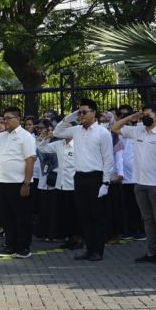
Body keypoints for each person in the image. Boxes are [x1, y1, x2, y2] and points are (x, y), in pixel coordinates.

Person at [54, 99, 115, 261]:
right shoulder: (76, 130)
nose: (80, 115)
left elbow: (108, 159)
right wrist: (69, 117)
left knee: (97, 216)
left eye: (83, 112)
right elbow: (57, 132)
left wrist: (106, 182)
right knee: (84, 215)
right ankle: (89, 249)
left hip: (96, 177)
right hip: (79, 177)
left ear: (93, 113)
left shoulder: (103, 132)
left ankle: (98, 251)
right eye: (79, 112)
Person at [113, 103, 156, 264]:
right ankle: (151, 252)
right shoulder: (137, 129)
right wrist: (130, 118)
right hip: (139, 183)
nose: (145, 117)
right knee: (147, 219)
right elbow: (115, 128)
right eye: (143, 114)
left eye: (149, 114)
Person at [0, 106, 37, 259]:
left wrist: (26, 184)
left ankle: (23, 247)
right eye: (3, 118)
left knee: (22, 216)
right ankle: (10, 245)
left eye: (8, 118)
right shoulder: (1, 136)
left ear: (18, 119)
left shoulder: (26, 137)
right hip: (2, 182)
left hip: (18, 183)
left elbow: (30, 160)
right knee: (7, 217)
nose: (5, 121)